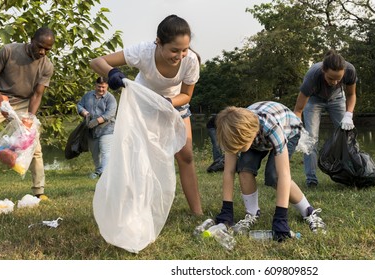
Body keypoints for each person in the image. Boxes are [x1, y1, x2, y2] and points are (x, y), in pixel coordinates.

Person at [90, 15, 203, 215]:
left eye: (184, 49)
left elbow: (186, 95)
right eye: (174, 50)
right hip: (144, 105)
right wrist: (112, 73)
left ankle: (197, 212)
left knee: (185, 155)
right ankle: (137, 208)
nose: (180, 56)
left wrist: (167, 103)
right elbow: (96, 61)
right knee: (142, 156)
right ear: (158, 42)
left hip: (174, 104)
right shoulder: (143, 51)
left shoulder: (190, 61)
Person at [214, 101, 327, 242]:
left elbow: (284, 174)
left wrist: (281, 217)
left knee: (273, 175)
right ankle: (252, 213)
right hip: (254, 134)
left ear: (249, 136)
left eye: (240, 147)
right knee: (244, 168)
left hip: (288, 128)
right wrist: (226, 211)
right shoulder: (231, 131)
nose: (237, 151)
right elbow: (229, 171)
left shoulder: (272, 127)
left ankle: (309, 212)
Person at [0, 27, 55, 200]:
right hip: (0, 97)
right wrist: (0, 99)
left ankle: (39, 191)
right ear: (31, 40)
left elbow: (37, 94)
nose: (42, 52)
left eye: (47, 49)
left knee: (35, 147)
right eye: (40, 46)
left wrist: (30, 118)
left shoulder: (47, 66)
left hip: (23, 104)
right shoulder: (9, 51)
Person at [293, 50, 357, 188]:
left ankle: (351, 175)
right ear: (323, 71)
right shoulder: (312, 76)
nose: (334, 82)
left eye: (338, 79)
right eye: (330, 78)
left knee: (346, 137)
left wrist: (349, 114)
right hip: (314, 100)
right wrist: (298, 129)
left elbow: (351, 95)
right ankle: (311, 181)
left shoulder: (350, 70)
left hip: (338, 98)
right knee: (311, 139)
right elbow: (298, 109)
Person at [76, 77, 117, 179]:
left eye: (103, 87)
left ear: (107, 86)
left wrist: (96, 121)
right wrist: (84, 112)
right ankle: (98, 170)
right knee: (95, 153)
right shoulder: (88, 95)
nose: (101, 89)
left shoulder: (111, 98)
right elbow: (79, 105)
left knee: (105, 151)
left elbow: (110, 113)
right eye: (99, 87)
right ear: (95, 85)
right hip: (91, 130)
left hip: (107, 129)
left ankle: (104, 174)